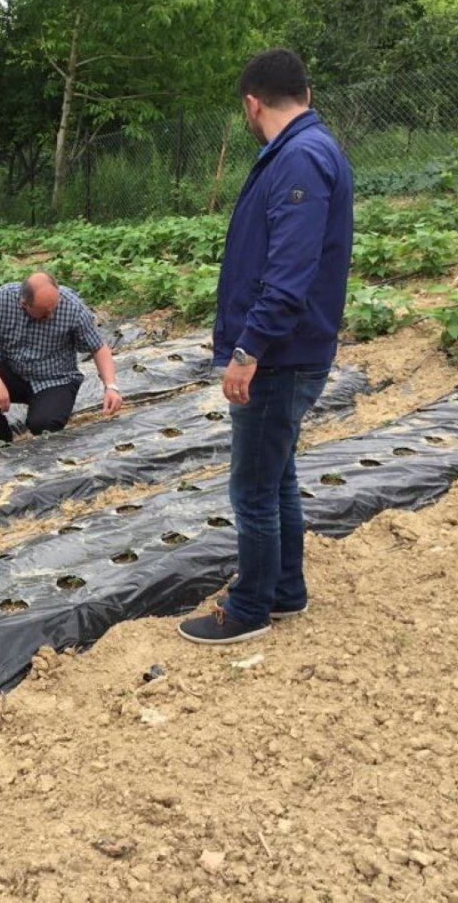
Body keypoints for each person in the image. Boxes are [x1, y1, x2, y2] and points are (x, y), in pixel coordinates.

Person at [178, 48, 354, 645]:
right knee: (276, 476)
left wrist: (247, 351)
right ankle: (286, 590)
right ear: (303, 90)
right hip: (290, 350)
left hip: (278, 356)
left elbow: (289, 274)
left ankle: (249, 607)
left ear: (252, 102)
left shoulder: (300, 158)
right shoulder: (305, 149)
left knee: (252, 487)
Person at [0, 272, 123, 446]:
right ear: (24, 304)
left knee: (44, 426)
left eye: (54, 308)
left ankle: (44, 413)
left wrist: (111, 386)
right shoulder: (1, 299)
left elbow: (98, 347)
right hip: (14, 371)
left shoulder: (72, 307)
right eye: (44, 313)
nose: (51, 315)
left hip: (55, 380)